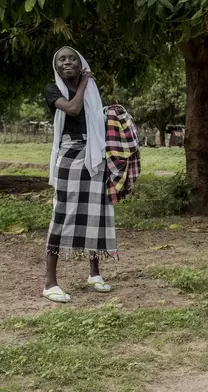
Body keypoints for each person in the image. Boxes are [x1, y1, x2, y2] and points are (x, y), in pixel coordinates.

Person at [42, 46, 117, 303]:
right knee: (63, 212)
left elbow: (97, 120)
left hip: (94, 153)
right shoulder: (53, 91)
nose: (67, 62)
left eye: (72, 58)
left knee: (95, 211)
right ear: (56, 65)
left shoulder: (92, 93)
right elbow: (73, 109)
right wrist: (85, 80)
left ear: (80, 61)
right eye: (61, 59)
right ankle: (50, 283)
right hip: (70, 153)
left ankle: (94, 274)